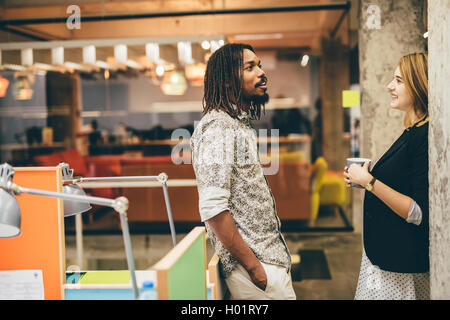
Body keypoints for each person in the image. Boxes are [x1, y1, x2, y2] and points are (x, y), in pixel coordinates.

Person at [190, 43, 296, 300]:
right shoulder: (218, 128)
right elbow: (213, 208)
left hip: (267, 260)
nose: (261, 72)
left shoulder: (237, 124)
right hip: (256, 269)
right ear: (227, 81)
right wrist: (253, 267)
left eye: (259, 64)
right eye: (250, 67)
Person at [344, 53, 429, 300]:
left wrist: (369, 182)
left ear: (418, 84)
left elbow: (417, 212)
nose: (390, 86)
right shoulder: (412, 131)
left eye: (399, 80)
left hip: (398, 265)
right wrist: (365, 178)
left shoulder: (422, 137)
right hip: (385, 258)